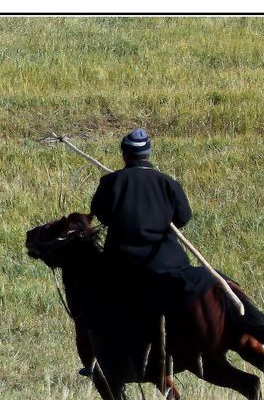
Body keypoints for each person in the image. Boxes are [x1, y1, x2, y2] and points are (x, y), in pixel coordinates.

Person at [79, 128, 193, 378]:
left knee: (92, 301)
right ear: (148, 154)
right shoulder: (168, 182)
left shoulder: (111, 182)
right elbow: (183, 219)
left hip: (123, 263)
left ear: (124, 155)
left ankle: (96, 361)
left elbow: (103, 217)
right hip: (170, 261)